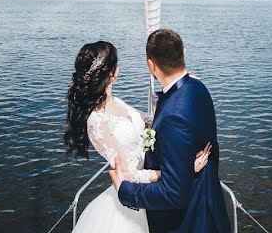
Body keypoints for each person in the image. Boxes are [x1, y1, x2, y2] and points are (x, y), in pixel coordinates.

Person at [65, 41, 212, 233]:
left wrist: (178, 85)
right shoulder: (96, 122)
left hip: (148, 194)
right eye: (116, 63)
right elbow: (127, 175)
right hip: (132, 202)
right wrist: (183, 169)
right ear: (111, 72)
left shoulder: (116, 102)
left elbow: (152, 120)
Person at [112, 29, 231, 233]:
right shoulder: (197, 86)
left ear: (151, 65)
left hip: (190, 221)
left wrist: (125, 190)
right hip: (209, 200)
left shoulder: (173, 119)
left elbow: (173, 193)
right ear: (183, 53)